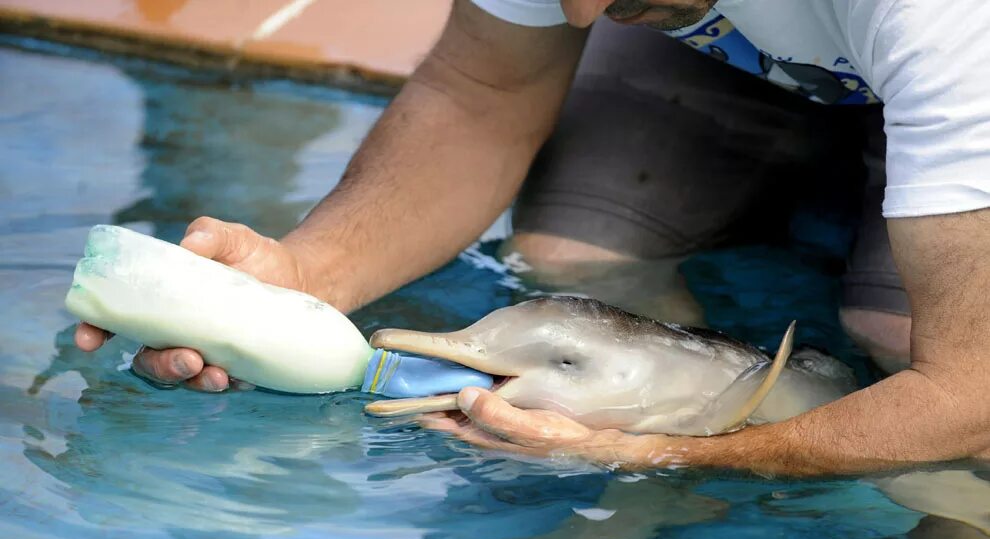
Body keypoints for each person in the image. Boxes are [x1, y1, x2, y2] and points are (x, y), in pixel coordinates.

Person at [76, 0, 990, 476]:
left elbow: (968, 394)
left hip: (947, 53)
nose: (579, 16)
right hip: (778, 42)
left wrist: (660, 460)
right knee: (575, 260)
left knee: (903, 345)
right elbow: (481, 95)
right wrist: (305, 274)